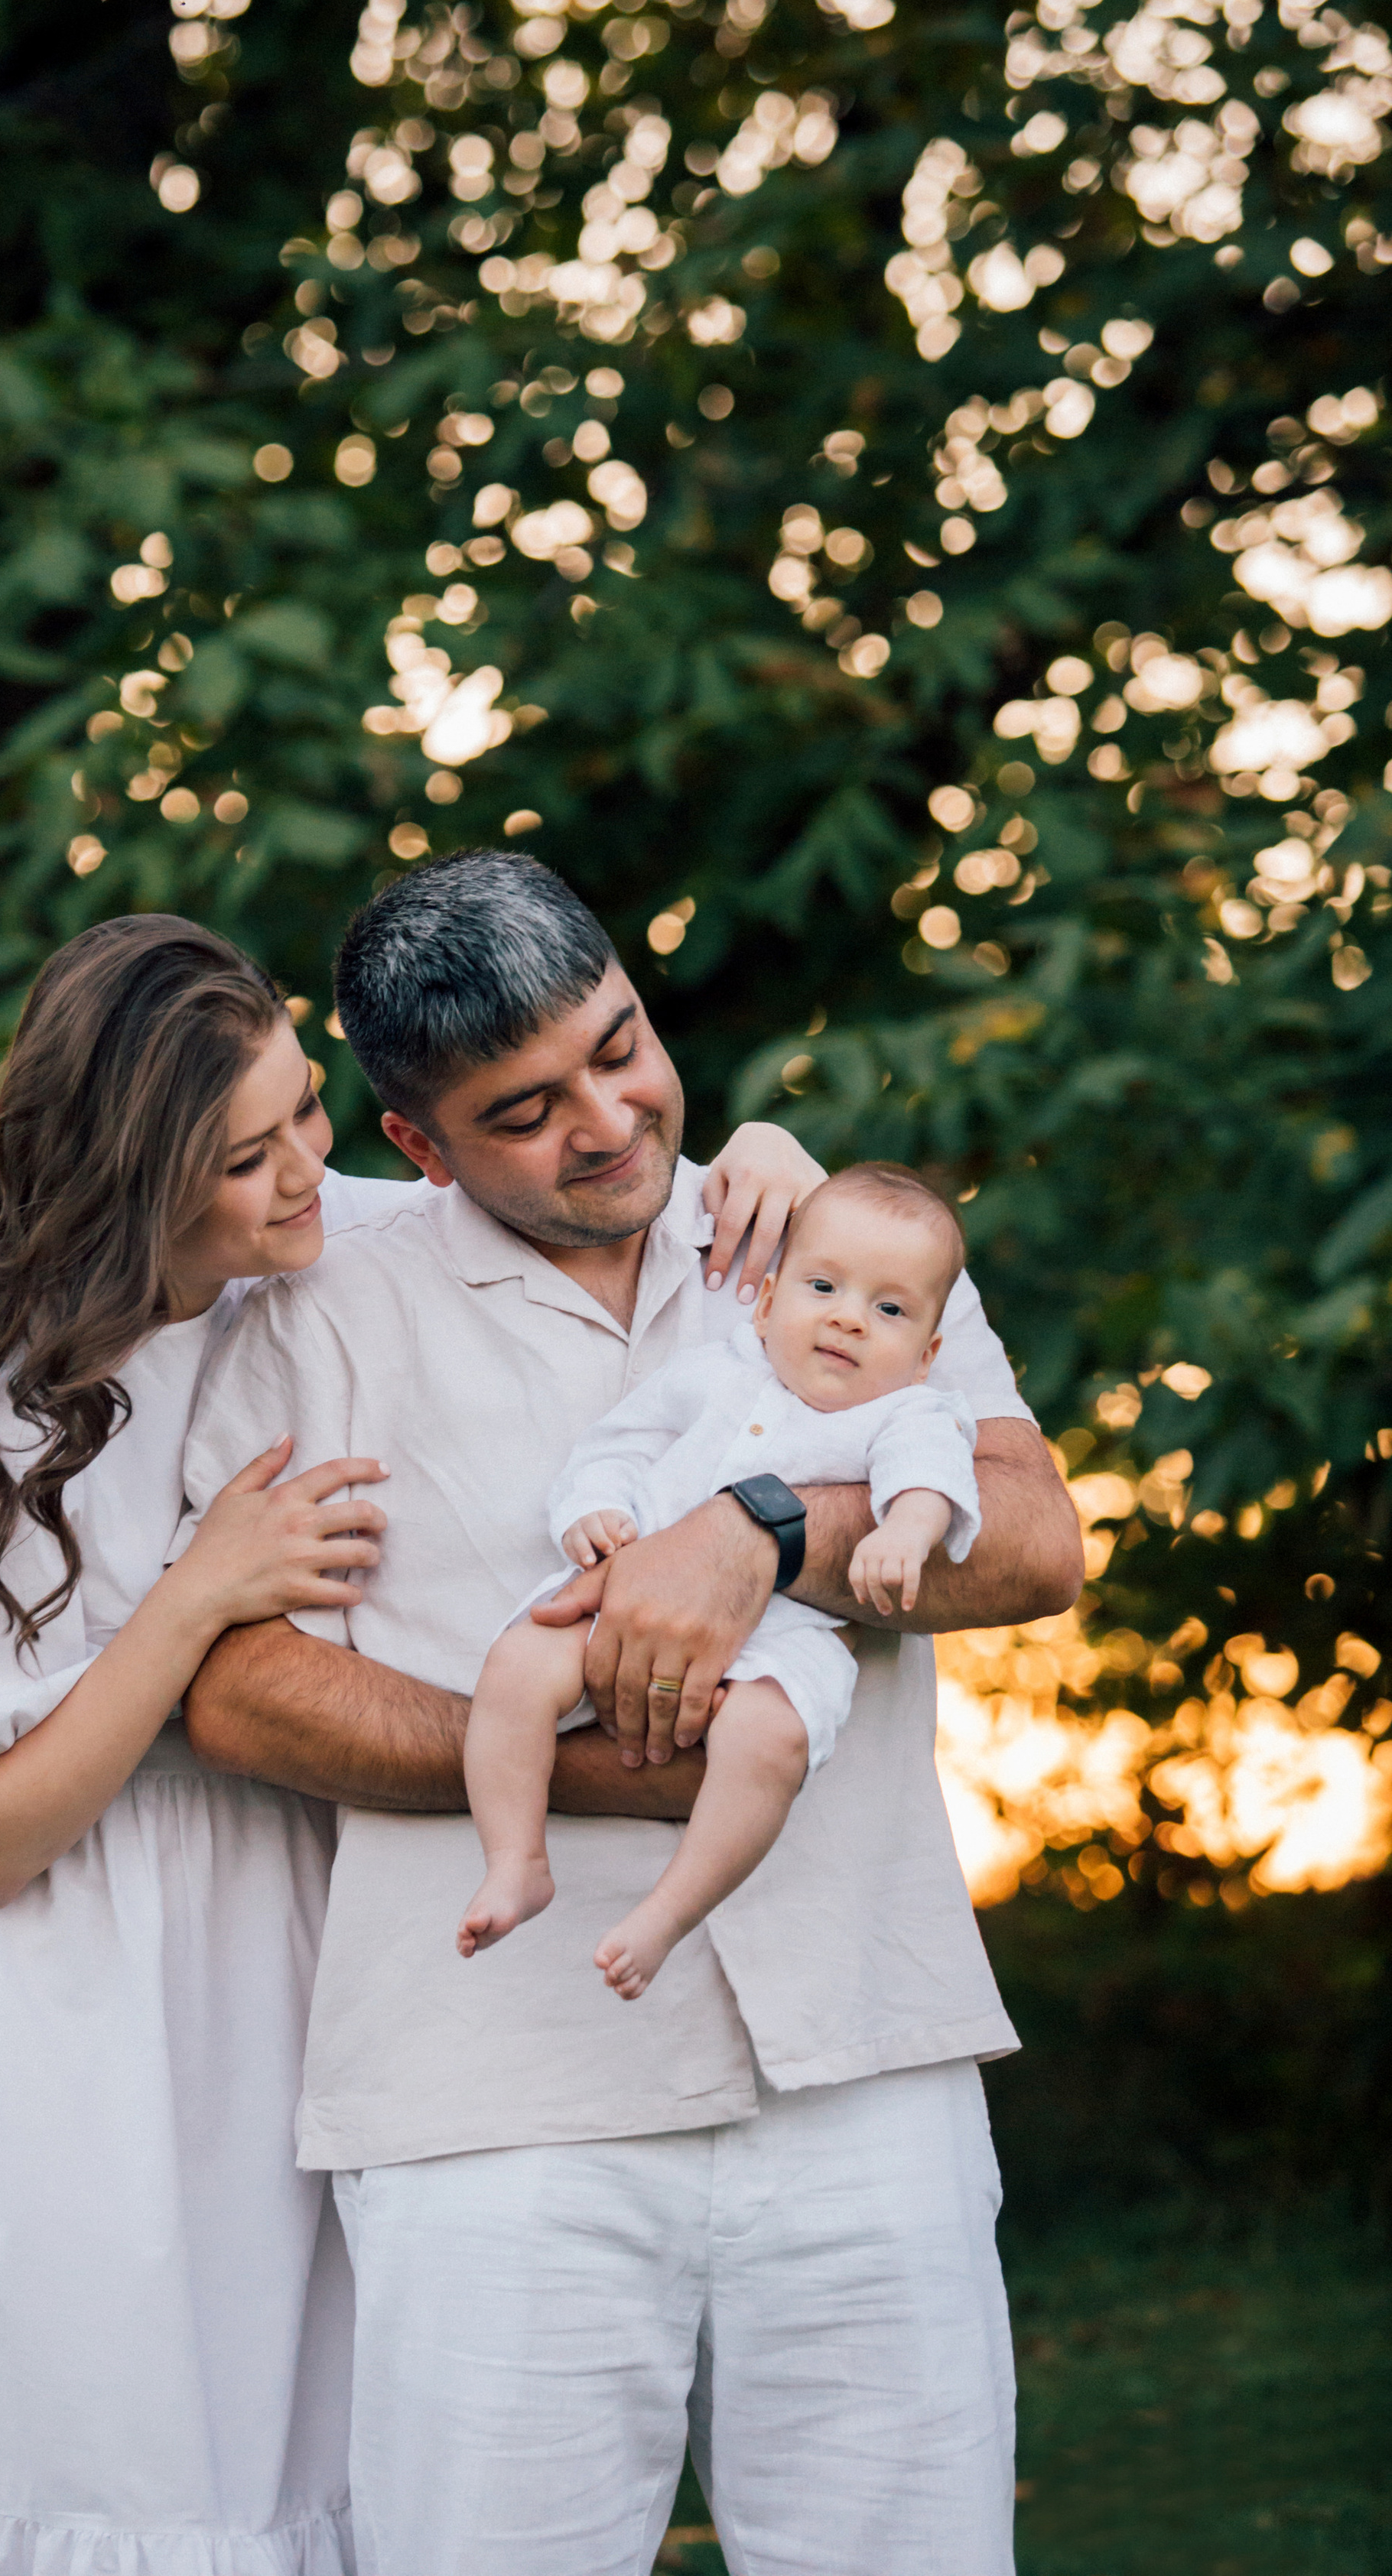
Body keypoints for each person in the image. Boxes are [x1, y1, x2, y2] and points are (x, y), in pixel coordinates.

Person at [0, 908, 818, 2576]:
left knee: (315, 2437)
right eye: (245, 1158)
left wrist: (764, 1157)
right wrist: (191, 1602)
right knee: (118, 2438)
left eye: (305, 1117)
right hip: (67, 1989)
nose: (303, 1180)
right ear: (131, 1180)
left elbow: (584, 1188)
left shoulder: (328, 1248)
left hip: (285, 1937)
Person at [178, 852, 1085, 2576]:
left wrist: (760, 1536)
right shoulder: (317, 1317)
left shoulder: (838, 1245)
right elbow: (240, 1688)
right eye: (524, 1111)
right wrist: (596, 1776)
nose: (605, 1119)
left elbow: (1031, 1538)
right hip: (497, 2097)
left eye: (620, 1046)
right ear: (421, 1149)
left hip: (862, 2056)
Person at [458, 1161, 980, 2003]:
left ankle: (667, 1913)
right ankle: (514, 1860)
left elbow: (927, 1475)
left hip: (786, 1635)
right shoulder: (711, 1375)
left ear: (925, 1355)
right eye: (823, 1287)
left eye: (888, 1310)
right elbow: (619, 1445)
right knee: (518, 1664)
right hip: (631, 1592)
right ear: (768, 1303)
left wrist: (907, 1531)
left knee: (771, 1741)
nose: (849, 1319)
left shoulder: (905, 1413)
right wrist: (593, 1511)